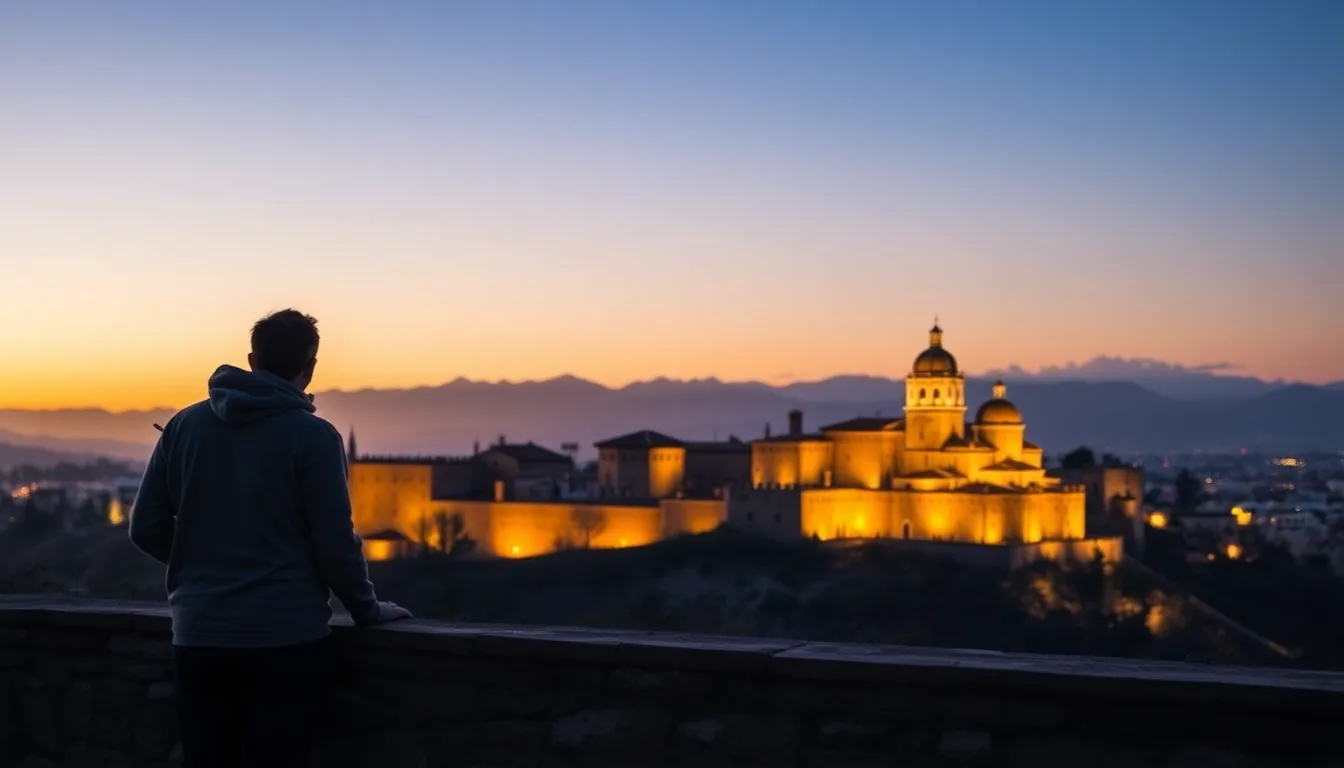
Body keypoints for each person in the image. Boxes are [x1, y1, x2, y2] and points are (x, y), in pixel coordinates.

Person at [129, 309, 411, 767]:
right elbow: (335, 544)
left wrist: (200, 568)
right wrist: (368, 610)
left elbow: (146, 527)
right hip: (287, 639)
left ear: (251, 359)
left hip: (199, 635)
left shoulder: (185, 427)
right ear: (310, 367)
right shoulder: (314, 437)